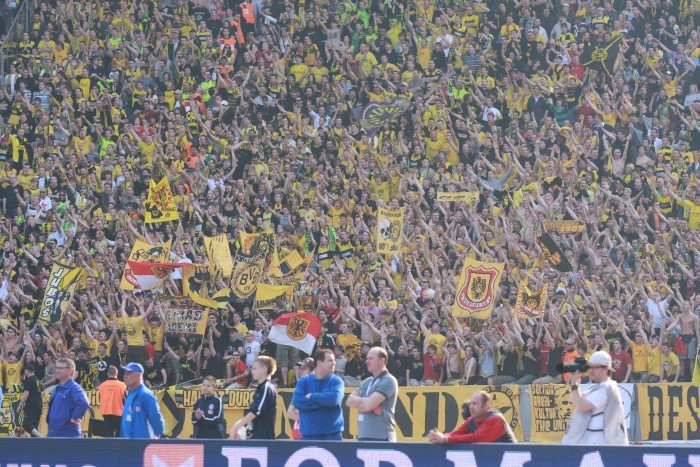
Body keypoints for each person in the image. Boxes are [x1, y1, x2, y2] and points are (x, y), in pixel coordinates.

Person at [561, 351, 628, 445]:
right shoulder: (602, 388)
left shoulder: (606, 389)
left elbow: (581, 406)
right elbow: (575, 399)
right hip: (596, 445)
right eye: (590, 367)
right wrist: (575, 381)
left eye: (595, 367)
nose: (591, 371)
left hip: (600, 446)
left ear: (606, 369)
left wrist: (574, 383)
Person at [346, 346, 398, 441]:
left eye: (371, 359)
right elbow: (349, 401)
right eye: (367, 358)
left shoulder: (389, 380)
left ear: (382, 361)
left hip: (381, 437)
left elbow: (367, 406)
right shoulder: (368, 381)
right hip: (363, 435)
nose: (367, 361)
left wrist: (365, 403)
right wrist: (372, 405)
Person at [291, 349, 344, 440]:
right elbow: (298, 402)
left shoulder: (336, 381)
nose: (334, 363)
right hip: (308, 436)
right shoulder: (304, 381)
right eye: (330, 360)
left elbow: (333, 399)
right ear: (319, 363)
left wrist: (312, 396)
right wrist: (324, 402)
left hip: (332, 436)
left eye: (334, 360)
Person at [428, 390, 517, 444]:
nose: (470, 407)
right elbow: (455, 434)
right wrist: (438, 436)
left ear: (486, 405)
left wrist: (446, 439)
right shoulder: (471, 420)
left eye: (475, 403)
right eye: (470, 403)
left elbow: (478, 438)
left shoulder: (495, 419)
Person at [230, 356, 278, 439]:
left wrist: (237, 426)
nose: (252, 372)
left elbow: (256, 411)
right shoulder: (260, 388)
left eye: (255, 368)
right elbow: (256, 417)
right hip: (257, 437)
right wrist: (245, 432)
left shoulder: (266, 388)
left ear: (263, 369)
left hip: (264, 439)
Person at [46, 358, 90, 438]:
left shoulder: (74, 387)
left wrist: (75, 417)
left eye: (60, 368)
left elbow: (83, 402)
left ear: (70, 370)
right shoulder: (58, 388)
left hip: (68, 435)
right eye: (57, 368)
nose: (57, 370)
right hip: (55, 434)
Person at [120, 362, 165, 439]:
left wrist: (157, 437)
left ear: (138, 375)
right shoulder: (130, 394)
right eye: (125, 373)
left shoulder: (146, 395)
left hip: (144, 442)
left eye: (129, 373)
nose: (125, 376)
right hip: (128, 442)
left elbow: (156, 417)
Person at [288, 357, 314, 440]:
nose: (301, 371)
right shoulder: (300, 387)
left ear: (312, 370)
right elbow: (289, 413)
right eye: (300, 368)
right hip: (297, 434)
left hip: (311, 435)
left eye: (304, 368)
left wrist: (298, 410)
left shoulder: (317, 387)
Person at [98, 365, 127, 437]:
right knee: (119, 436)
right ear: (117, 373)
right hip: (119, 413)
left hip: (106, 414)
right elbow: (125, 400)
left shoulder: (101, 386)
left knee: (109, 436)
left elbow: (100, 399)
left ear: (108, 374)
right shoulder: (122, 385)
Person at [16, 364, 43, 437]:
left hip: (31, 406)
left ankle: (41, 438)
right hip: (38, 406)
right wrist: (41, 405)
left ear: (26, 371)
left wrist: (19, 405)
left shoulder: (28, 380)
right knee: (34, 426)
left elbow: (26, 395)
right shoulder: (38, 380)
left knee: (26, 424)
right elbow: (41, 394)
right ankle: (37, 442)